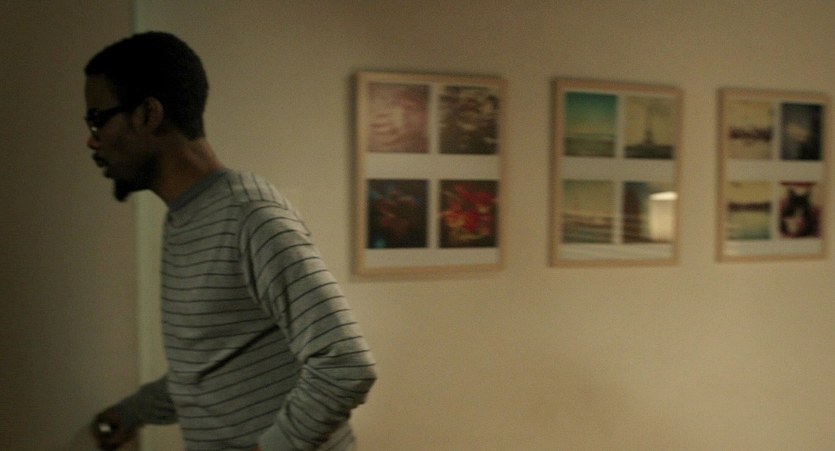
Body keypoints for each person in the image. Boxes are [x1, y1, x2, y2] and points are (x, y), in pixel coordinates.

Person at [85, 31, 377, 451]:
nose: (91, 140)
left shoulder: (249, 214)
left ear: (148, 114)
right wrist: (131, 413)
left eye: (97, 119)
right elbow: (207, 368)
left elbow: (345, 363)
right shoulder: (186, 218)